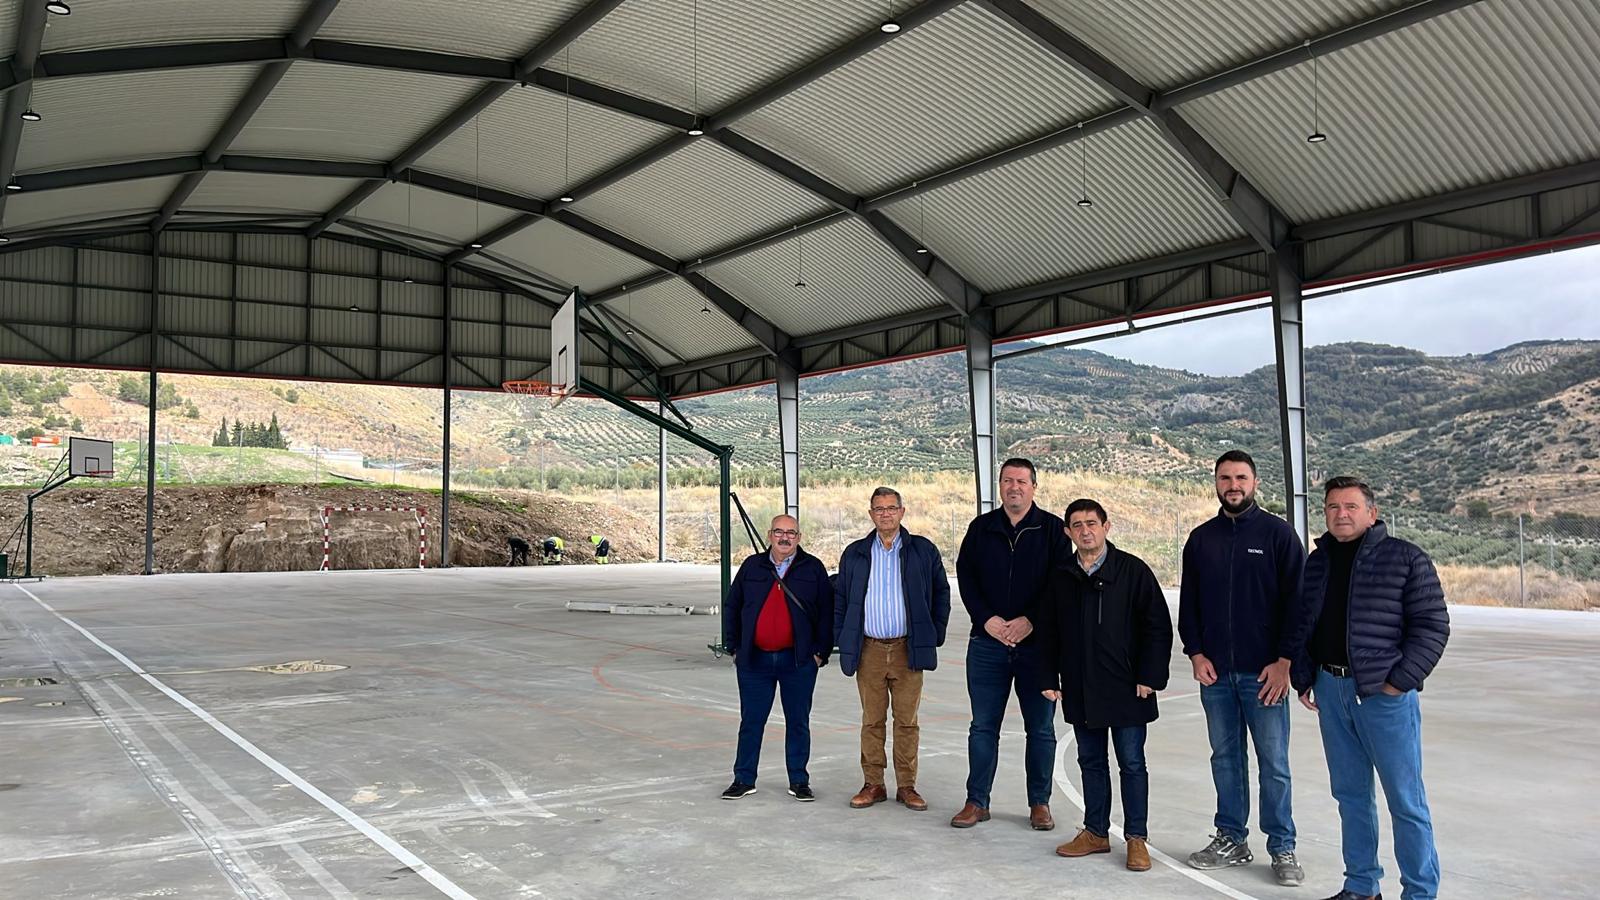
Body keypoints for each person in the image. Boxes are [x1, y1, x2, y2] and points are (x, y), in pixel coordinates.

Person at [1290, 477, 1449, 900]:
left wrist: (1399, 681)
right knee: (1351, 796)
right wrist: (1304, 676)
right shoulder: (1318, 562)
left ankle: (1419, 892)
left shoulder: (1406, 559)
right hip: (1331, 689)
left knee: (1405, 800)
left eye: (1351, 506)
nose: (1341, 514)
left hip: (1383, 697)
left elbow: (1433, 627)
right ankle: (1361, 886)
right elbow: (1304, 623)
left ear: (1371, 513)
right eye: (1332, 507)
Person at [1178, 449, 1307, 886]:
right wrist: (1196, 653)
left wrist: (1285, 662)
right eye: (1225, 478)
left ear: (1255, 482)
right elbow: (1189, 605)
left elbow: (1298, 606)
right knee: (1225, 759)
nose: (1233, 485)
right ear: (1215, 482)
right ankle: (1231, 837)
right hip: (1215, 675)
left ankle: (1282, 846)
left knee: (1274, 763)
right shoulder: (1201, 539)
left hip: (1265, 674)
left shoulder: (1278, 535)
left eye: (1241, 478)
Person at [1039, 499, 1172, 872]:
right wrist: (1048, 677)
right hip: (1081, 688)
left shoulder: (1133, 571)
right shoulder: (1061, 576)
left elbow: (1157, 627)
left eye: (1092, 523)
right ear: (1067, 532)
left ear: (1106, 526)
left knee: (1131, 763)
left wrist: (1150, 676)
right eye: (1077, 525)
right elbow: (1047, 631)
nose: (1085, 531)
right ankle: (1096, 832)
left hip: (1128, 687)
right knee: (1091, 762)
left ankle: (1136, 839)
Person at [951, 458, 1072, 831]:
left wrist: (1031, 620)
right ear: (999, 486)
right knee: (983, 727)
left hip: (1037, 648)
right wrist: (985, 618)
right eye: (1007, 480)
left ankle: (1039, 804)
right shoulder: (981, 528)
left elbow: (1060, 583)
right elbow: (966, 577)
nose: (1014, 487)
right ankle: (977, 801)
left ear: (1034, 486)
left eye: (1021, 481)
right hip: (987, 644)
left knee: (1040, 729)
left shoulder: (1053, 530)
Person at [834, 487, 951, 812]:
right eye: (879, 509)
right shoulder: (856, 553)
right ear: (871, 514)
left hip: (907, 649)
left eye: (891, 508)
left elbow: (941, 592)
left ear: (902, 511)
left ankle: (907, 786)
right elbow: (841, 598)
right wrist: (841, 636)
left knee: (907, 722)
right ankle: (873, 784)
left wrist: (934, 633)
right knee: (872, 721)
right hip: (868, 649)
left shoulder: (922, 551)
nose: (885, 513)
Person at [721, 515, 832, 802]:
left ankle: (799, 780)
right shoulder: (751, 566)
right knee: (752, 721)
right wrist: (734, 647)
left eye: (791, 533)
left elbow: (827, 613)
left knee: (798, 721)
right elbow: (732, 606)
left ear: (799, 537)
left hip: (798, 662)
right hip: (754, 661)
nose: (785, 537)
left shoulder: (813, 568)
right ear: (770, 534)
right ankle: (743, 778)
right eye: (779, 532)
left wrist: (820, 653)